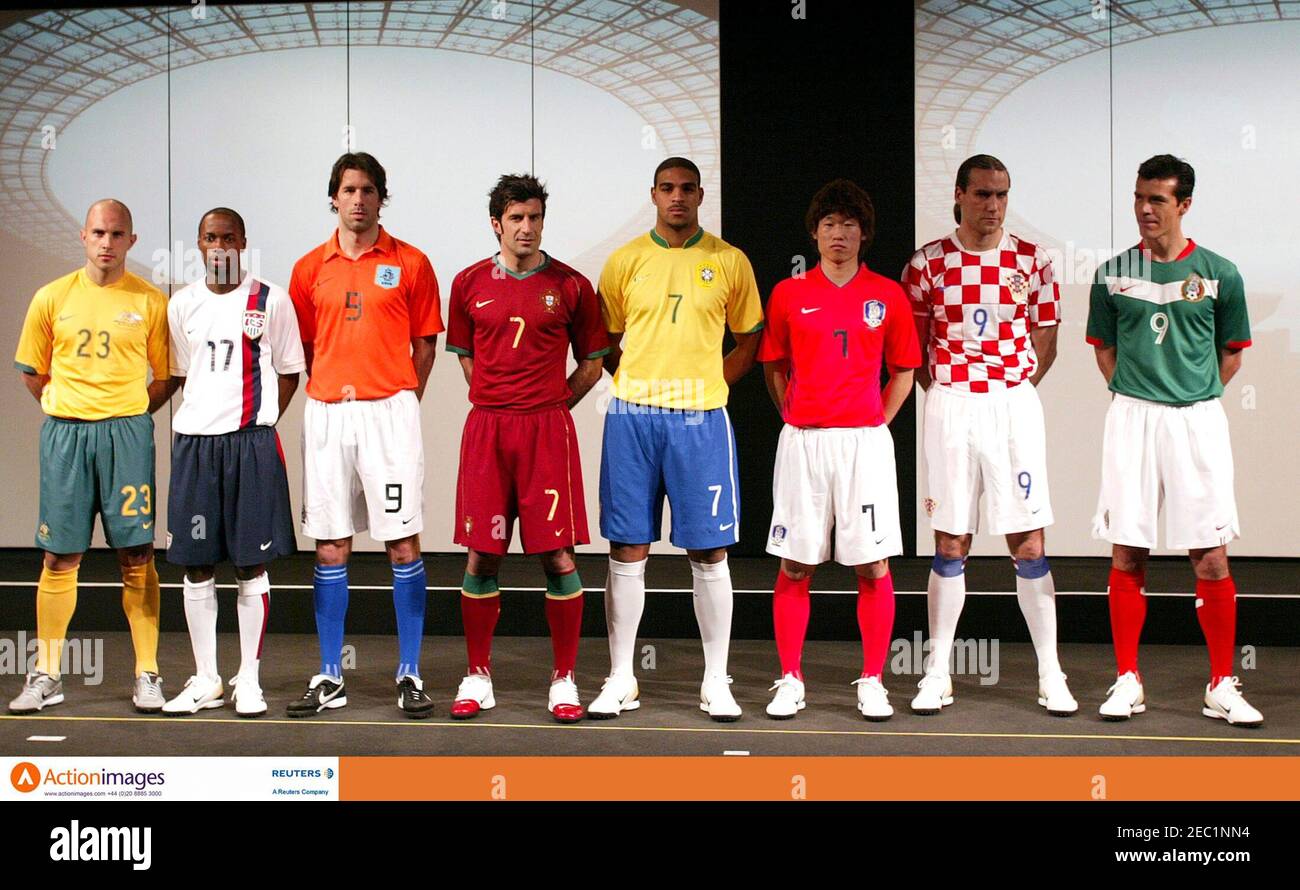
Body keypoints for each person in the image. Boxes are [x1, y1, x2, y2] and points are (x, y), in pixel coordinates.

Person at [1088, 154, 1260, 726]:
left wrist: (1194, 391)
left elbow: (1230, 352)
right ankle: (1127, 680)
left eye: (1157, 199)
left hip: (1196, 420)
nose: (1144, 209)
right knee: (1127, 550)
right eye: (1139, 197)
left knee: (1210, 557)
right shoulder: (1111, 273)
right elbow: (1104, 350)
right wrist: (1136, 395)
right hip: (1132, 418)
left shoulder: (1219, 272)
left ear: (1184, 205)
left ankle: (1220, 684)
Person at [902, 154, 1077, 717]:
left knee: (1028, 541)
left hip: (1011, 405)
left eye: (1001, 195)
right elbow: (916, 347)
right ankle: (936, 673)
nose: (993, 206)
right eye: (981, 195)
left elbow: (1045, 337)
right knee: (951, 541)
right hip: (951, 404)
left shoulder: (1034, 260)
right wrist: (948, 391)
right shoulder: (927, 263)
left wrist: (1013, 388)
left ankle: (1051, 674)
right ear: (959, 195)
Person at [590, 156, 764, 721]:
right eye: (667, 188)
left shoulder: (729, 261)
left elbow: (749, 342)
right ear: (653, 194)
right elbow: (609, 340)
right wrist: (640, 382)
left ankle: (716, 679)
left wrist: (709, 384)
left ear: (700, 195)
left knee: (710, 551)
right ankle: (621, 677)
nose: (677, 197)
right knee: (627, 547)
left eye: (687, 188)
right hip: (634, 418)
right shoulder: (624, 261)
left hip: (700, 421)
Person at [445, 174, 608, 723]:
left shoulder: (572, 286)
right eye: (515, 218)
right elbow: (466, 355)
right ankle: (478, 674)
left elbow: (593, 361)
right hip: (488, 431)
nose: (526, 227)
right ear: (497, 224)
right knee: (481, 554)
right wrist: (494, 395)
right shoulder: (468, 283)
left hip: (546, 432)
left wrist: (555, 402)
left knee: (557, 554)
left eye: (534, 217)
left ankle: (563, 679)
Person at [286, 152, 443, 719]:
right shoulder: (308, 269)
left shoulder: (413, 263)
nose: (358, 199)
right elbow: (304, 349)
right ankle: (330, 675)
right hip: (329, 413)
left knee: (402, 542)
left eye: (369, 190)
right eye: (349, 189)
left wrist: (401, 399)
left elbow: (425, 344)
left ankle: (410, 672)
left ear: (382, 198)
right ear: (334, 197)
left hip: (390, 413)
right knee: (330, 543)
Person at [760, 179, 919, 721]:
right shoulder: (789, 293)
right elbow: (775, 367)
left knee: (873, 566)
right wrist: (795, 417)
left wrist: (876, 421)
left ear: (863, 234)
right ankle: (790, 679)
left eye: (849, 225)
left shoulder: (888, 295)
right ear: (815, 232)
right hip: (803, 443)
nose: (838, 234)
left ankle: (873, 680)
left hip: (864, 446)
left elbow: (903, 371)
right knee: (796, 565)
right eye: (829, 225)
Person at [9, 199, 171, 714]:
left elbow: (166, 376)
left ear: (131, 241)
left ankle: (148, 672)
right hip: (66, 436)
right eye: (99, 232)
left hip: (125, 436)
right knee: (60, 556)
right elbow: (33, 371)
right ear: (83, 236)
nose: (107, 242)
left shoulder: (149, 300)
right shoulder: (51, 297)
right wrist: (70, 408)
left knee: (137, 553)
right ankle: (47, 673)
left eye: (117, 233)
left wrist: (125, 413)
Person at [160, 208, 304, 717]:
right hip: (196, 446)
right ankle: (205, 679)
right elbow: (179, 373)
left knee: (249, 563)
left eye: (228, 238)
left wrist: (262, 423)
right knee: (196, 565)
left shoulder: (272, 300)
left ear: (243, 242)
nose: (219, 246)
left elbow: (289, 371)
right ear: (198, 244)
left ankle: (249, 679)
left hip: (249, 446)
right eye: (209, 237)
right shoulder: (181, 305)